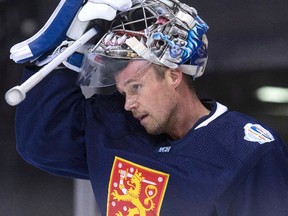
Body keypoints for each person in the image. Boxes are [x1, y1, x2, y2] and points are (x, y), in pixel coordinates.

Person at [13, 0, 288, 215]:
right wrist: (69, 50)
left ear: (173, 74)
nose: (128, 102)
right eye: (122, 91)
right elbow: (41, 140)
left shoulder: (248, 151)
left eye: (136, 87)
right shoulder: (115, 126)